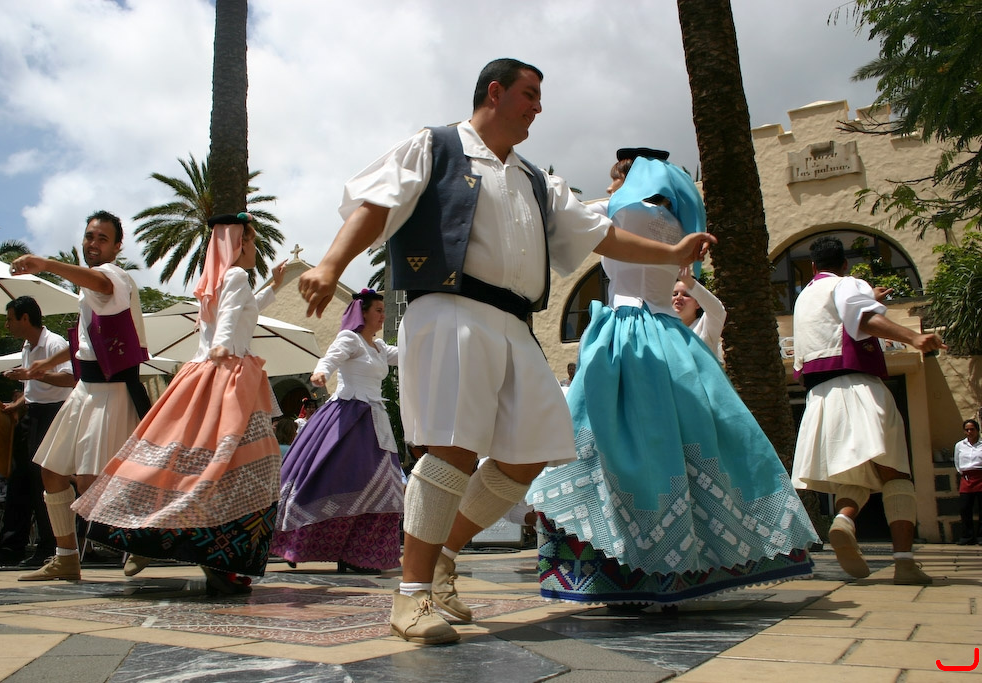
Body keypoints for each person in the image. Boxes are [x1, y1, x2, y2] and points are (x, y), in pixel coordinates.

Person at [297, 59, 715, 644]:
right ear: (494, 92)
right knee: (451, 449)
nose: (538, 107)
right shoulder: (436, 146)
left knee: (530, 452)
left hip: (515, 323)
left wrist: (670, 254)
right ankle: (411, 594)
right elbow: (377, 205)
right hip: (449, 307)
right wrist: (330, 264)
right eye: (529, 94)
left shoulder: (537, 180)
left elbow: (600, 234)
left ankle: (441, 555)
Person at [527, 148, 819, 606]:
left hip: (626, 332)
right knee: (685, 442)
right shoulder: (680, 220)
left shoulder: (618, 211)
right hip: (672, 338)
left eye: (614, 179)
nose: (610, 187)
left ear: (628, 180)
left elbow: (561, 218)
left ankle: (620, 568)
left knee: (603, 443)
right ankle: (684, 565)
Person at [72, 213, 285, 595]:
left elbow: (241, 309)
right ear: (239, 244)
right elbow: (230, 318)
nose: (255, 249)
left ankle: (156, 535)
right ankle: (209, 553)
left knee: (189, 463)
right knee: (248, 466)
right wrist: (222, 346)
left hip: (208, 372)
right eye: (252, 241)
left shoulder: (219, 280)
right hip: (228, 375)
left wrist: (274, 287)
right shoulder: (236, 276)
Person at [791, 235, 945, 585]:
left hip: (821, 396)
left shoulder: (804, 298)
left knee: (854, 476)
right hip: (859, 387)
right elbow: (861, 319)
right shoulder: (848, 283)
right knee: (896, 473)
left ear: (813, 267)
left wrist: (866, 299)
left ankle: (843, 521)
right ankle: (904, 563)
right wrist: (913, 337)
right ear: (844, 264)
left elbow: (838, 319)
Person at [9, 210, 151, 581]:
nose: (94, 243)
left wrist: (46, 264)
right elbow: (86, 341)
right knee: (52, 470)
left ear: (117, 247)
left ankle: (140, 539)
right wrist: (48, 363)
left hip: (111, 390)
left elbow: (100, 283)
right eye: (90, 236)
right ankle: (66, 557)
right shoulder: (87, 290)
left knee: (93, 481)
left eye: (103, 238)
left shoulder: (114, 276)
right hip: (86, 389)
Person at [272, 289, 403, 574]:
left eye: (384, 310)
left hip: (375, 420)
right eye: (378, 310)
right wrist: (321, 373)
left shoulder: (380, 347)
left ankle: (359, 553)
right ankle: (299, 539)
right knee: (339, 478)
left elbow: (408, 354)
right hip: (348, 417)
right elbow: (331, 358)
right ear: (363, 313)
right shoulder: (350, 339)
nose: (383, 315)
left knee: (383, 485)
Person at [0, 296, 74, 568]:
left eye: (10, 319)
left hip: (53, 413)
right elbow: (32, 390)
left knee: (42, 480)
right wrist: (18, 403)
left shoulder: (55, 343)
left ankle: (49, 547)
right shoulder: (26, 347)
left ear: (25, 318)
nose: (7, 324)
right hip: (31, 414)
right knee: (19, 479)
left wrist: (34, 374)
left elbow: (70, 378)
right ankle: (11, 547)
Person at [673, 266, 726, 361]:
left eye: (686, 295)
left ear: (698, 303)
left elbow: (717, 310)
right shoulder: (662, 327)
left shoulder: (705, 328)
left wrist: (689, 280)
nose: (678, 297)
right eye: (674, 294)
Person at [953, 419, 982, 545]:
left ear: (977, 430)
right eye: (967, 429)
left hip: (980, 476)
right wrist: (963, 473)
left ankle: (981, 537)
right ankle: (967, 536)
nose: (969, 432)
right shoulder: (959, 445)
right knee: (965, 508)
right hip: (966, 478)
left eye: (972, 429)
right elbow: (957, 462)